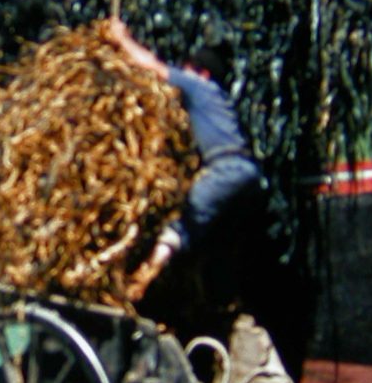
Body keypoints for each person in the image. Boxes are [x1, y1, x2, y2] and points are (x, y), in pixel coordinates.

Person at [102, 18, 263, 302]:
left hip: (226, 169)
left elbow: (153, 67)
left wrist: (122, 39)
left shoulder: (198, 87)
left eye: (188, 67)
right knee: (213, 236)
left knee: (182, 223)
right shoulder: (218, 99)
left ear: (202, 72)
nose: (183, 71)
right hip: (247, 174)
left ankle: (143, 277)